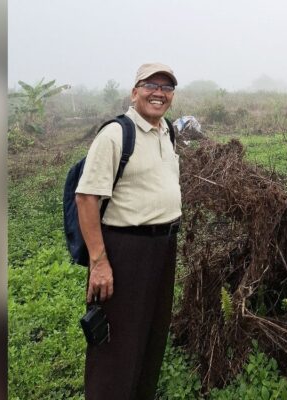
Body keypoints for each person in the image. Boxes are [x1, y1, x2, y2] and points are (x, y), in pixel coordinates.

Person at [75, 62, 181, 400]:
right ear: (134, 92)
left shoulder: (168, 132)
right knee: (116, 343)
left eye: (166, 88)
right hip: (125, 251)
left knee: (151, 335)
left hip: (162, 249)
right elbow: (86, 198)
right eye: (151, 85)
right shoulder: (116, 134)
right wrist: (100, 262)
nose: (158, 93)